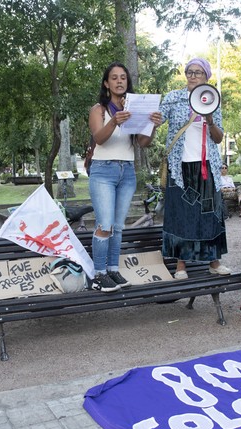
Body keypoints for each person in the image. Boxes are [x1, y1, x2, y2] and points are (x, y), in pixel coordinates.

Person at [88, 62, 160, 292]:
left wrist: (152, 125)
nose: (120, 81)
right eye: (114, 78)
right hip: (103, 170)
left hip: (126, 171)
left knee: (118, 226)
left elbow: (142, 143)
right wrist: (114, 120)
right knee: (105, 224)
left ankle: (112, 269)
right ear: (106, 83)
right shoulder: (99, 109)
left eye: (123, 78)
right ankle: (98, 274)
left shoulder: (134, 109)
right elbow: (99, 138)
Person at [160, 57, 230, 280]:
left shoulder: (212, 100)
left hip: (206, 166)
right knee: (182, 214)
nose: (193, 76)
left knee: (210, 212)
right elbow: (157, 120)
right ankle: (181, 265)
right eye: (190, 71)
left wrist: (210, 119)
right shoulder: (174, 98)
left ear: (206, 77)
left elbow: (218, 138)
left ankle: (214, 261)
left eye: (198, 72)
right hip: (180, 167)